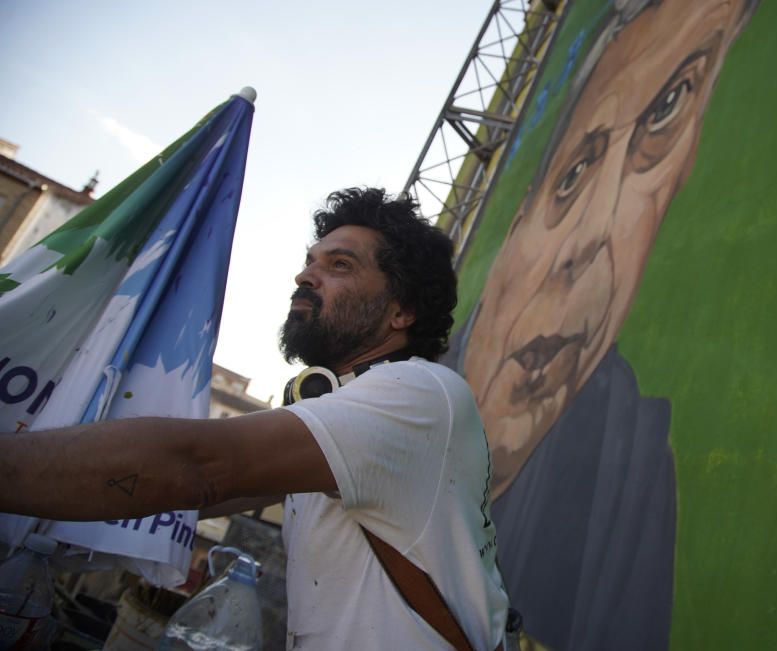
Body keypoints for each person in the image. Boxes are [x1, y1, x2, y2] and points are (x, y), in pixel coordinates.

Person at [0, 187, 510, 650]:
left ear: (402, 312)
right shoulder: (343, 409)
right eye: (310, 261)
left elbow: (200, 468)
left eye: (339, 265)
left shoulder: (414, 393)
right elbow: (210, 493)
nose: (305, 275)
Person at [448, 0, 766, 648]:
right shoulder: (408, 405)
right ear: (515, 215)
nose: (593, 251)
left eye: (669, 110)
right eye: (573, 172)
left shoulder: (634, 470)